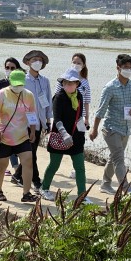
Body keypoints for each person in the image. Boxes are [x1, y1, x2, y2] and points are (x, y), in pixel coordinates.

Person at [89, 54, 131, 194]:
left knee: (114, 157)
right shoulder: (110, 87)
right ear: (118, 68)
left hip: (126, 128)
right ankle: (125, 188)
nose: (128, 70)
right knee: (119, 158)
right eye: (125, 67)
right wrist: (94, 129)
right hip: (111, 129)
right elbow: (101, 110)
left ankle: (105, 184)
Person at [40, 68, 91, 204]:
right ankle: (44, 188)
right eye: (66, 82)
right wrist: (64, 134)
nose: (68, 85)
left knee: (80, 166)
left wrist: (82, 127)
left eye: (72, 83)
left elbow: (79, 115)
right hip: (60, 136)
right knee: (54, 165)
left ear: (77, 84)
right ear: (62, 84)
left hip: (76, 137)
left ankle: (82, 195)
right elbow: (57, 118)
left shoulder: (79, 96)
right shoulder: (58, 97)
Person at [0, 70, 39, 203]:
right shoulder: (1, 94)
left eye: (21, 84)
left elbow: (32, 115)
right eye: (16, 84)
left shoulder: (28, 95)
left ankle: (26, 193)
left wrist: (33, 131)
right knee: (2, 165)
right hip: (4, 137)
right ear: (10, 82)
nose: (18, 87)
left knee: (28, 161)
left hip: (22, 136)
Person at [12, 50, 52, 192]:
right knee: (31, 152)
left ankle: (17, 175)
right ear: (28, 62)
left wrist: (48, 121)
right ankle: (35, 180)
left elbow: (47, 102)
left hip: (39, 122)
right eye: (34, 59)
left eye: (40, 60)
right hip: (25, 123)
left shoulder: (45, 81)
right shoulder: (22, 80)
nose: (37, 62)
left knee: (30, 151)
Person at [54, 53, 92, 179]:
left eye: (79, 63)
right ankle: (55, 166)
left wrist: (87, 118)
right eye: (74, 62)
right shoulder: (64, 78)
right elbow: (56, 97)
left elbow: (86, 100)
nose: (76, 65)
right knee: (61, 139)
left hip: (79, 117)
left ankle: (76, 168)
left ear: (83, 65)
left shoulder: (85, 82)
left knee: (79, 142)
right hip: (64, 116)